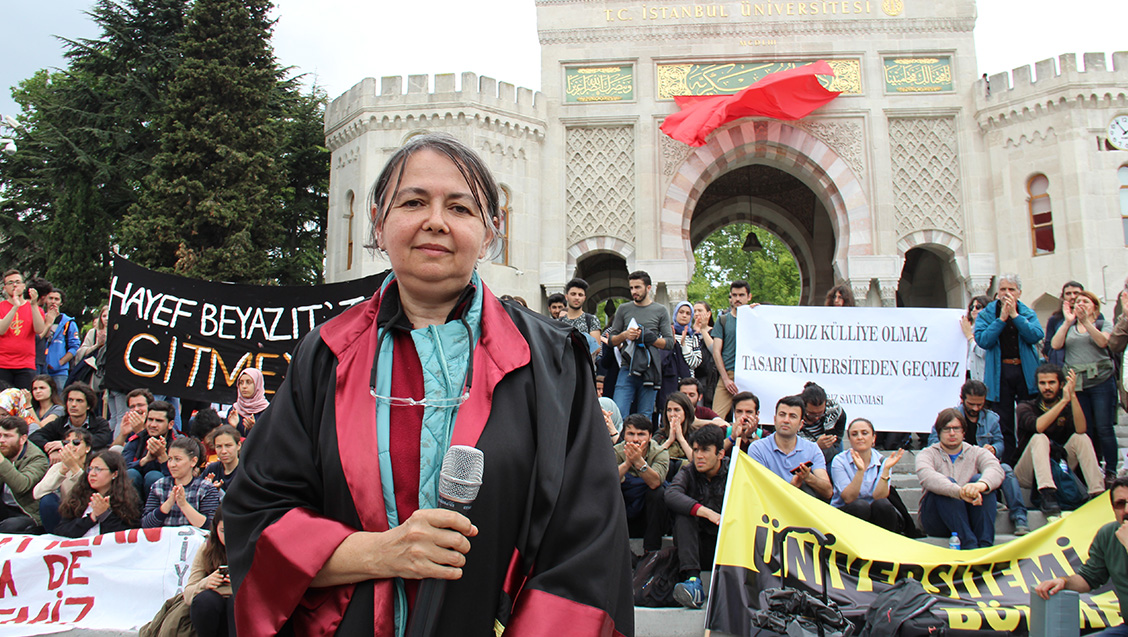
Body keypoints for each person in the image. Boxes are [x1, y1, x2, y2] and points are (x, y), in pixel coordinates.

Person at [224, 133, 633, 636]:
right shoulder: (327, 356)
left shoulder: (549, 362)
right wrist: (378, 553)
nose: (435, 220)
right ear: (377, 221)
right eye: (414, 201)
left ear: (490, 233)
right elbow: (257, 518)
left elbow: (586, 549)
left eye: (460, 207)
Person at [926, 380, 1030, 535]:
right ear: (962, 399)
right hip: (956, 465)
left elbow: (1000, 443)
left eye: (979, 404)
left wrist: (993, 449)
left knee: (1006, 470)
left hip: (982, 464)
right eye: (971, 404)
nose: (975, 409)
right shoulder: (948, 417)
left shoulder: (992, 419)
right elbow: (933, 443)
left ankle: (1020, 517)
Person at [1034, 475, 1128, 637]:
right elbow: (1089, 578)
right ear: (1112, 509)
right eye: (1120, 504)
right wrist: (1063, 582)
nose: (1126, 510)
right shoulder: (1108, 534)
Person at [1014, 364, 1105, 516]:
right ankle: (1048, 494)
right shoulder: (1025, 407)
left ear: (1061, 384)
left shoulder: (1068, 407)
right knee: (1039, 438)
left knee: (1080, 438)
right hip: (1027, 472)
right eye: (1042, 383)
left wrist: (1073, 396)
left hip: (1059, 465)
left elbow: (1081, 429)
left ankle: (1097, 493)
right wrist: (1063, 401)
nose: (1047, 387)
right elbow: (1039, 427)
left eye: (1051, 383)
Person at [974, 274, 1044, 465]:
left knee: (1026, 418)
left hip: (1024, 372)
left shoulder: (1026, 312)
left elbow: (1036, 335)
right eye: (1003, 289)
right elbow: (983, 340)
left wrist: (1015, 316)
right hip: (1000, 374)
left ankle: (1027, 462)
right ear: (997, 292)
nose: (1007, 294)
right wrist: (1002, 319)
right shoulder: (988, 313)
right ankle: (1008, 464)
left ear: (1019, 292)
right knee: (1003, 421)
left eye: (1011, 290)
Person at [1049, 289, 1118, 482]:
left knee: (1104, 427)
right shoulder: (1069, 326)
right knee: (1084, 430)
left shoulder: (1103, 323)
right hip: (1078, 384)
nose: (1080, 304)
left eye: (1085, 302)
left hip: (1101, 381)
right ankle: (1090, 469)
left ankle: (1111, 469)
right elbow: (1055, 344)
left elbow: (1104, 342)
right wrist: (1068, 321)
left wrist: (1086, 321)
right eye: (1077, 302)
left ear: (1094, 307)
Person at [915, 408, 1003, 549]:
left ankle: (985, 545)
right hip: (937, 519)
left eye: (956, 428)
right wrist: (960, 492)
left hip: (970, 515)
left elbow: (995, 469)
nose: (952, 433)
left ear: (963, 432)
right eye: (946, 429)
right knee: (945, 484)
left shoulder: (976, 452)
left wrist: (980, 485)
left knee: (982, 481)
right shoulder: (927, 454)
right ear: (938, 432)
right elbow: (926, 476)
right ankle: (970, 546)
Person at [666, 425, 728, 610]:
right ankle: (693, 583)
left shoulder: (734, 472)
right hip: (695, 549)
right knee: (685, 516)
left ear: (720, 454)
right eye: (696, 450)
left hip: (724, 545)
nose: (699, 456)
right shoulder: (688, 471)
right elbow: (671, 494)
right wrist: (705, 511)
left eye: (706, 450)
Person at [609, 270, 674, 421]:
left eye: (638, 287)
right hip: (627, 367)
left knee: (645, 416)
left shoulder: (660, 310)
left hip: (650, 369)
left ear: (648, 287)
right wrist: (625, 335)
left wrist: (649, 338)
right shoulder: (623, 309)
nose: (634, 292)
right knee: (619, 415)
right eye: (631, 288)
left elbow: (669, 343)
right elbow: (611, 340)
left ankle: (643, 445)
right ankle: (619, 444)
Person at [747, 395, 833, 500]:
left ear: (801, 424)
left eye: (793, 416)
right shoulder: (757, 448)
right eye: (782, 415)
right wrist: (790, 488)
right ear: (775, 419)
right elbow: (757, 489)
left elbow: (828, 492)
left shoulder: (812, 449)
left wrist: (808, 477)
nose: (786, 420)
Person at [830, 418, 903, 532]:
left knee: (883, 505)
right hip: (847, 512)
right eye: (854, 434)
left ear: (873, 438)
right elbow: (849, 498)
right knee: (861, 506)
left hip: (874, 513)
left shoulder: (883, 461)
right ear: (849, 439)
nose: (860, 437)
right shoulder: (839, 460)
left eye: (865, 433)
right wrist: (860, 471)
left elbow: (879, 496)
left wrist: (886, 470)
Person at [615, 413, 670, 555]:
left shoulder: (660, 452)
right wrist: (628, 462)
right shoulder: (616, 452)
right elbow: (607, 481)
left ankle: (651, 551)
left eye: (641, 434)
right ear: (624, 435)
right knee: (611, 492)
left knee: (658, 493)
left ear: (650, 436)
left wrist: (639, 461)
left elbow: (655, 482)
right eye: (631, 434)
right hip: (623, 512)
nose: (635, 439)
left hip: (649, 514)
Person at [54, 450, 141, 537]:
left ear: (114, 474)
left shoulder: (128, 499)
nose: (92, 474)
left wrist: (105, 515)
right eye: (90, 469)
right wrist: (92, 518)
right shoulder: (78, 495)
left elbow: (129, 536)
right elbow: (61, 531)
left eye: (98, 469)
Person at [143, 437, 220, 529]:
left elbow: (210, 526)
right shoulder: (159, 486)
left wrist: (183, 504)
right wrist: (168, 503)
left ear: (193, 461)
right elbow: (146, 524)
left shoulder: (206, 488)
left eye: (178, 459)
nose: (172, 464)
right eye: (170, 459)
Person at [184, 506, 234, 637]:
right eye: (223, 531)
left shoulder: (252, 547)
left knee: (235, 603)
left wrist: (238, 583)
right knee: (205, 601)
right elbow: (188, 594)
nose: (227, 536)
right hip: (211, 610)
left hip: (238, 606)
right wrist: (205, 583)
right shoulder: (207, 548)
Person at [33, 428, 92, 533]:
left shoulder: (95, 465)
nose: (70, 446)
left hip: (90, 514)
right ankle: (55, 537)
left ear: (87, 448)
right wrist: (62, 471)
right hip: (67, 515)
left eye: (76, 443)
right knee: (47, 500)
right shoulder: (59, 466)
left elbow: (91, 492)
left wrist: (75, 468)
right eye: (66, 442)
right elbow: (37, 493)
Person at [711, 281, 753, 419]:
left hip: (750, 374)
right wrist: (725, 378)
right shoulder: (723, 320)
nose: (737, 299)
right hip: (728, 375)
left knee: (751, 418)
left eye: (741, 295)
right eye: (734, 295)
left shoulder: (756, 317)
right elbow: (716, 351)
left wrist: (759, 312)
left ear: (749, 297)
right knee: (716, 419)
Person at [29, 382, 112, 452]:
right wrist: (52, 450)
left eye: (79, 401)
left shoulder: (99, 423)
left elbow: (100, 440)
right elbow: (35, 437)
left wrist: (65, 443)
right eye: (70, 400)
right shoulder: (60, 422)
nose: (73, 405)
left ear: (88, 406)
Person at [0, 270, 47, 391]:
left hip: (26, 364)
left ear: (24, 285)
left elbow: (39, 329)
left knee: (24, 402)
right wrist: (15, 306)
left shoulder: (33, 307)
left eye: (17, 282)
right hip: (3, 364)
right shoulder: (1, 307)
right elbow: (1, 329)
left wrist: (33, 304)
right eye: (10, 283)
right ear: (5, 287)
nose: (14, 285)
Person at [0, 415, 48, 532]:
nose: (1, 440)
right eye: (0, 435)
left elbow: (22, 486)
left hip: (28, 512)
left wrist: (1, 461)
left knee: (9, 527)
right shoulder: (4, 451)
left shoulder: (37, 458)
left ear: (22, 439)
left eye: (7, 436)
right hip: (4, 506)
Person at [123, 400, 178, 500]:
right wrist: (145, 460)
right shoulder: (138, 439)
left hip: (168, 497)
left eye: (159, 421)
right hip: (135, 496)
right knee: (131, 474)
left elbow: (181, 477)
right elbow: (121, 469)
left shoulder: (178, 444)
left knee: (153, 476)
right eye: (150, 419)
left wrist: (163, 457)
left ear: (170, 424)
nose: (153, 425)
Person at [40, 289, 80, 392]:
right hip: (41, 367)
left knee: (60, 398)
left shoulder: (68, 323)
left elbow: (75, 346)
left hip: (59, 371)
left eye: (56, 299)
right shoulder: (40, 319)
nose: (53, 301)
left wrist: (61, 362)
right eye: (50, 298)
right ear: (45, 300)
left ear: (61, 302)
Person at [798, 382, 847, 463]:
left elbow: (841, 420)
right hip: (804, 452)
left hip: (828, 446)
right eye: (812, 414)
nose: (817, 417)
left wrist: (835, 442)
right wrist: (816, 446)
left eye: (821, 413)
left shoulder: (833, 407)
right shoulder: (794, 411)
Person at [1043, 281, 1086, 367]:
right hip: (1063, 365)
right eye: (1068, 294)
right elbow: (1048, 346)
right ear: (1063, 297)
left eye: (1076, 293)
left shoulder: (1095, 317)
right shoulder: (1055, 319)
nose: (1072, 297)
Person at [558, 277, 601, 344]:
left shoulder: (591, 320)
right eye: (573, 294)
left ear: (584, 298)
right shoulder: (559, 322)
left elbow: (596, 348)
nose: (577, 298)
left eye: (580, 295)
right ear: (566, 297)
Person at [226, 368, 269, 435]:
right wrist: (232, 428)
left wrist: (255, 430)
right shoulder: (234, 410)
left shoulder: (268, 411)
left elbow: (272, 438)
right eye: (241, 382)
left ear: (257, 384)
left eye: (248, 382)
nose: (244, 386)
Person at [959, 295, 989, 383]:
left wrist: (969, 337)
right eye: (972, 307)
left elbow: (982, 352)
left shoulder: (989, 329)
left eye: (978, 307)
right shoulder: (967, 328)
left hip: (981, 374)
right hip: (966, 372)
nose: (974, 310)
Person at [203, 425, 241, 492]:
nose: (223, 451)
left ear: (238, 445)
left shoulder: (246, 470)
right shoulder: (212, 469)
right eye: (219, 446)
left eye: (228, 446)